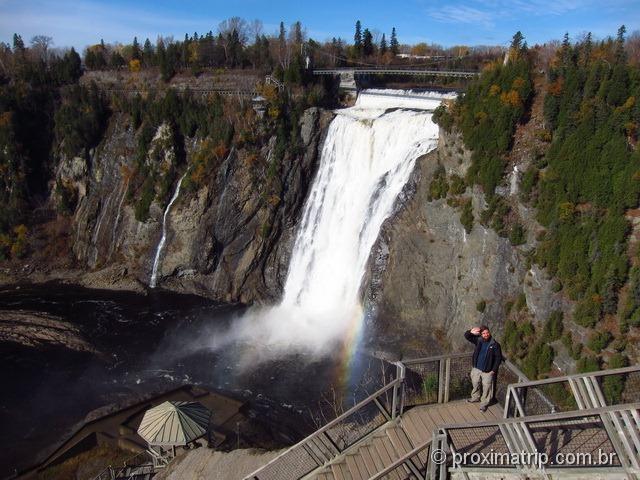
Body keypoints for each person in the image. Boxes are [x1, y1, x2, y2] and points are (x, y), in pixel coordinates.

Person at [464, 325, 502, 412]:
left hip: (488, 371)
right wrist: (471, 331)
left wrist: (493, 370)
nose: (486, 335)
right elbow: (467, 336)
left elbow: (498, 358)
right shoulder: (479, 341)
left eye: (487, 333)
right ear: (481, 334)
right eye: (484, 333)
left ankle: (484, 404)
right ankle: (475, 397)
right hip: (476, 368)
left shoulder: (495, 345)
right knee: (475, 383)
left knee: (487, 388)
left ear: (490, 333)